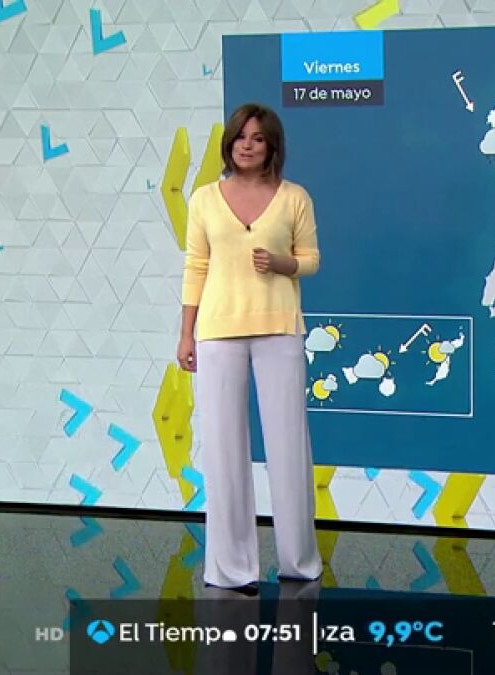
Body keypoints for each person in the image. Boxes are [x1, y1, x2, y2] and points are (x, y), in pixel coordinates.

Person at [177, 102, 323, 594]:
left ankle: (299, 561)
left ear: (271, 145)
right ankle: (231, 568)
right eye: (240, 136)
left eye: (257, 138)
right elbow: (196, 266)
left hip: (279, 327)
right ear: (229, 143)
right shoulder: (203, 199)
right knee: (223, 450)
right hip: (217, 331)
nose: (247, 145)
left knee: (289, 446)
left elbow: (311, 260)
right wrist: (186, 333)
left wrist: (282, 264)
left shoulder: (295, 197)